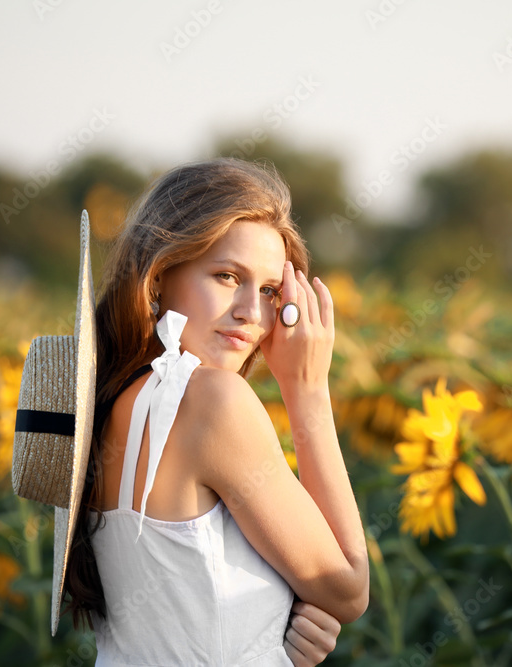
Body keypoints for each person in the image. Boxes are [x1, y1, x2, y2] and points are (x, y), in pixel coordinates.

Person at [61, 157, 369, 665]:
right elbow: (348, 589)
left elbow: (181, 617)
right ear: (159, 276)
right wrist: (307, 387)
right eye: (227, 276)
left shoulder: (111, 401)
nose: (252, 312)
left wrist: (278, 636)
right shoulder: (213, 401)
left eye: (270, 291)